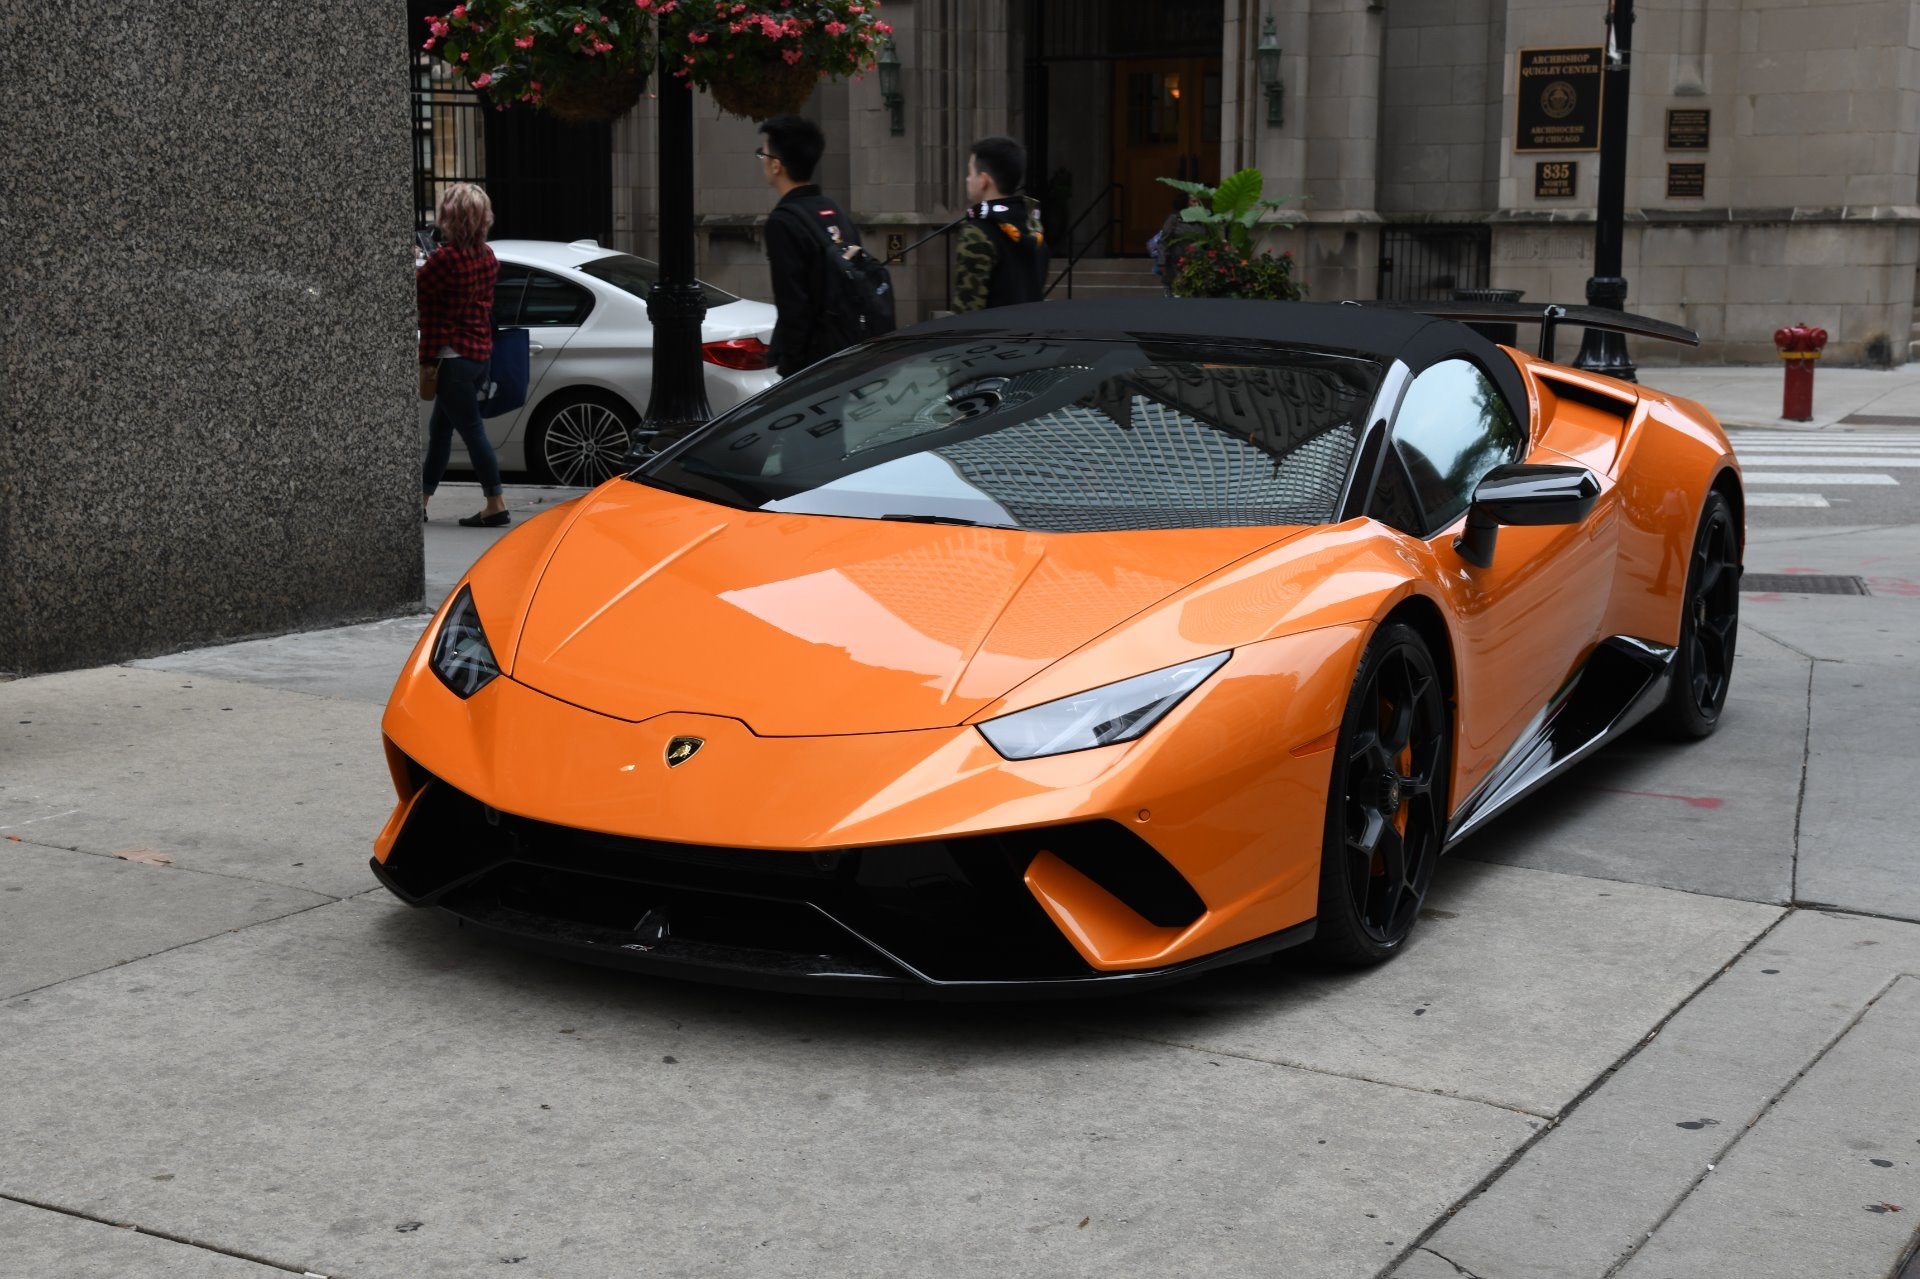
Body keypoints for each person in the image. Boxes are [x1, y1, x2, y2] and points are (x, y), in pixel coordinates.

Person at [418, 182, 509, 527]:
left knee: (472, 432)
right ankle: (422, 500)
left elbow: (418, 289)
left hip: (452, 358)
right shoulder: (487, 257)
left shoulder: (445, 259)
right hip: (477, 355)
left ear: (451, 218)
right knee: (440, 429)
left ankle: (495, 502)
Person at [758, 114, 869, 377]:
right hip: (845, 351)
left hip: (812, 364)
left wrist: (793, 373)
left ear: (776, 165)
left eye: (763, 155)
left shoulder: (783, 221)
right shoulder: (834, 210)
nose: (762, 161)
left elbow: (792, 305)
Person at [953, 136, 1049, 312]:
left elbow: (967, 311)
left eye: (970, 172)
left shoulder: (978, 232)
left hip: (990, 337)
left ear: (984, 180)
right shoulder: (1034, 230)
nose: (967, 179)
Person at [1150, 194, 1204, 295]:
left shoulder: (1202, 220)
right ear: (1184, 203)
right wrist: (1162, 262)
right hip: (1176, 266)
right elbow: (1163, 241)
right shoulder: (1174, 218)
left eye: (1198, 202)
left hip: (1197, 266)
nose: (1197, 205)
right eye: (1193, 201)